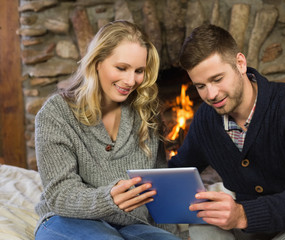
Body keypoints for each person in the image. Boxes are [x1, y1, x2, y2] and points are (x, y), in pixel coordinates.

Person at [169, 24, 285, 239]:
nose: (211, 94)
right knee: (203, 223)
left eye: (217, 79)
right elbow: (176, 171)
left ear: (240, 63)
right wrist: (137, 184)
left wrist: (243, 214)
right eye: (200, 86)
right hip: (249, 232)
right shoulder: (206, 119)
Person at [34, 20, 182, 240]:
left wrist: (175, 234)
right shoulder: (56, 113)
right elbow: (60, 194)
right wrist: (108, 200)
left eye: (139, 70)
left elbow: (157, 192)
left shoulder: (146, 113)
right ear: (97, 62)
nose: (131, 80)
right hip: (67, 220)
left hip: (134, 224)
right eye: (121, 68)